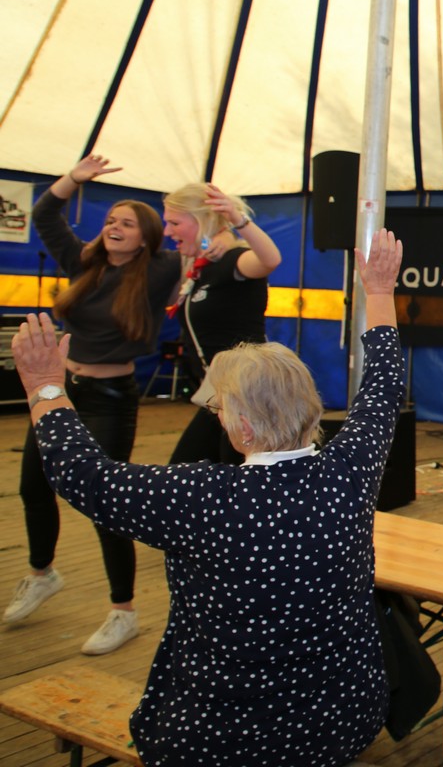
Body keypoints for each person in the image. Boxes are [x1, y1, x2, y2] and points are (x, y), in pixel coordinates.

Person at [11, 229, 405, 767]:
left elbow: (83, 475)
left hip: (220, 738)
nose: (215, 415)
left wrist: (44, 386)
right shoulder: (349, 469)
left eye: (219, 407)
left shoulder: (202, 496)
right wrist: (379, 291)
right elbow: (384, 384)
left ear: (243, 427)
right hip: (342, 718)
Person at [5, 155, 182, 655]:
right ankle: (42, 573)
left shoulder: (157, 271)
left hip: (110, 400)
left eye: (126, 223)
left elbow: (193, 244)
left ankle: (124, 611)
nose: (113, 227)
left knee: (106, 504)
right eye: (109, 220)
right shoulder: (84, 264)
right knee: (34, 487)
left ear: (146, 238)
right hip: (61, 392)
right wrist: (72, 179)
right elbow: (44, 215)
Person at [162, 181, 281, 465]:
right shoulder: (200, 267)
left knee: (225, 474)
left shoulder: (233, 261)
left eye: (174, 223)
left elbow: (270, 259)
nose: (167, 231)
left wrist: (238, 222)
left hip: (247, 397)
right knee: (187, 474)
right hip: (219, 398)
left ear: (201, 220)